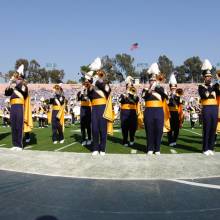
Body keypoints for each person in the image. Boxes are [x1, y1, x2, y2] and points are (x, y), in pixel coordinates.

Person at [85, 57, 112, 156]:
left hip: (103, 107)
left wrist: (99, 81)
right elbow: (89, 95)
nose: (99, 76)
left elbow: (108, 91)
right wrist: (90, 84)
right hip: (95, 108)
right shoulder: (92, 86)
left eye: (100, 75)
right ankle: (95, 148)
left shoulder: (105, 83)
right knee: (95, 128)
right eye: (98, 75)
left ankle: (102, 148)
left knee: (102, 128)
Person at [142, 63, 168, 155]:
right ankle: (150, 148)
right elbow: (144, 97)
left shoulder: (161, 89)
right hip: (149, 111)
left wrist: (158, 87)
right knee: (149, 129)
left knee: (159, 130)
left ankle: (157, 148)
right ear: (149, 81)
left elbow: (166, 97)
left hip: (159, 111)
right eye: (151, 80)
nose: (152, 81)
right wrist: (150, 89)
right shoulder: (145, 89)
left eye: (154, 80)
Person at [4, 64, 31, 150]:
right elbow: (7, 93)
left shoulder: (23, 85)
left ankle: (19, 145)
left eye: (16, 77)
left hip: (19, 106)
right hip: (13, 107)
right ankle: (15, 144)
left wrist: (16, 81)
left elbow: (24, 91)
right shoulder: (14, 87)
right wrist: (9, 83)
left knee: (19, 125)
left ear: (19, 77)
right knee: (13, 125)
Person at [198, 59, 218, 155]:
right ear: (204, 77)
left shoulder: (215, 86)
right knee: (207, 127)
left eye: (210, 76)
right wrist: (211, 90)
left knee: (213, 128)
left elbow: (217, 93)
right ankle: (205, 148)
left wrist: (213, 89)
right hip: (206, 108)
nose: (209, 78)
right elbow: (204, 95)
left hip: (214, 108)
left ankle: (211, 148)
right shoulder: (201, 86)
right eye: (207, 77)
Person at [119, 76, 139, 146]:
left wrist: (134, 95)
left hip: (132, 112)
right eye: (129, 86)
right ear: (126, 87)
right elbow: (120, 101)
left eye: (131, 86)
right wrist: (125, 95)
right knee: (124, 127)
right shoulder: (123, 94)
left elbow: (137, 101)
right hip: (124, 112)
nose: (130, 87)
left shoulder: (134, 95)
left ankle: (132, 139)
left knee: (133, 127)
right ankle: (125, 140)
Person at [167, 73, 183, 147]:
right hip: (169, 112)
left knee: (176, 128)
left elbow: (180, 103)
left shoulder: (178, 95)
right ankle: (170, 140)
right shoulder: (167, 94)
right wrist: (171, 96)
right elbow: (167, 103)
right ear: (170, 88)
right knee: (170, 128)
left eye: (174, 88)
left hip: (176, 112)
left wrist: (176, 96)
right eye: (172, 88)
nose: (173, 89)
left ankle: (174, 140)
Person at [77, 79, 92, 146]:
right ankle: (83, 139)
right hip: (82, 108)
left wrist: (86, 92)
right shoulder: (81, 92)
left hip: (88, 108)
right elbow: (78, 99)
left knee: (88, 125)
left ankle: (89, 138)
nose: (85, 85)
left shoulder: (90, 91)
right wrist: (81, 92)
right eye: (84, 84)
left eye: (86, 84)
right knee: (82, 125)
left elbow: (90, 98)